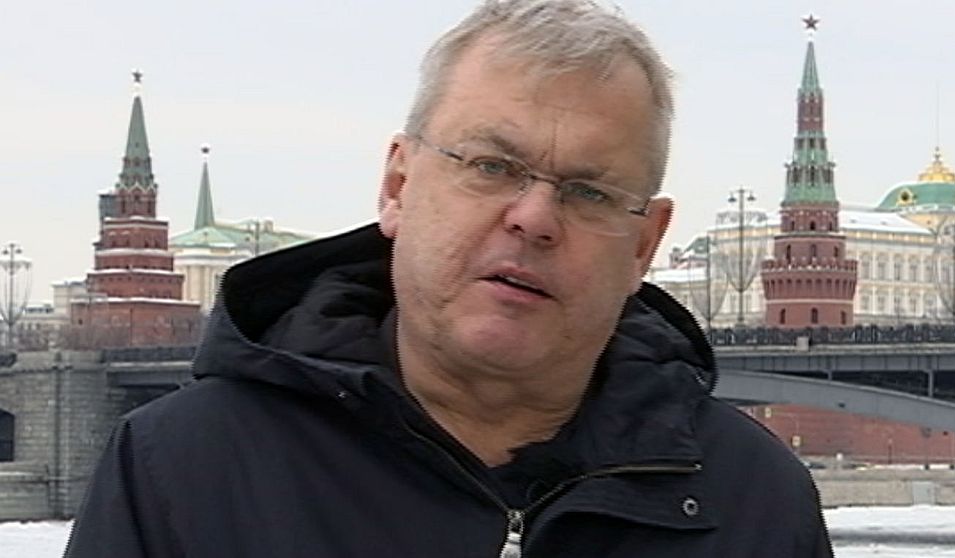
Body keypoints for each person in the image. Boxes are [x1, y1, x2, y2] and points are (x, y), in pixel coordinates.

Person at [65, 1, 833, 556]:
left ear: (644, 244)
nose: (534, 218)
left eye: (590, 192)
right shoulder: (182, 470)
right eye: (492, 166)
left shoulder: (756, 503)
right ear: (398, 185)